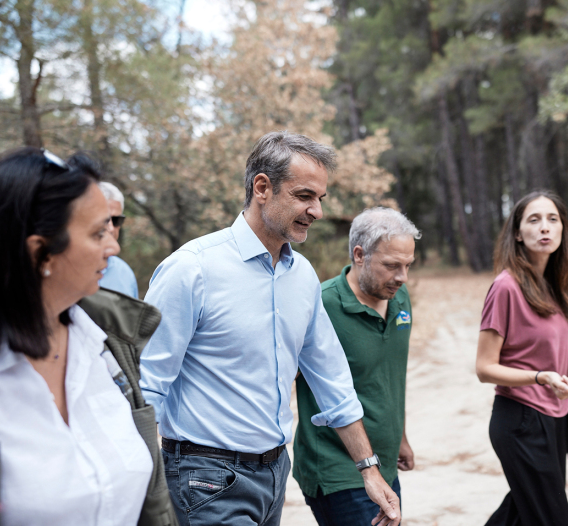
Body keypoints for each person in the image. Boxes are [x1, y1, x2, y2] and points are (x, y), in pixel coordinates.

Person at [139, 131, 401, 526]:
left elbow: (331, 378)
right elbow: (147, 383)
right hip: (204, 477)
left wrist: (368, 468)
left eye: (320, 198)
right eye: (304, 196)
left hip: (275, 473)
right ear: (262, 188)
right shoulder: (192, 268)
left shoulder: (303, 276)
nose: (317, 211)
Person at [0, 148, 177, 526]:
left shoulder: (109, 348)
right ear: (41, 252)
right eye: (98, 233)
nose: (114, 247)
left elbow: (152, 501)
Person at [475, 190, 568, 526]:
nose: (545, 227)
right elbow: (484, 368)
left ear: (563, 229)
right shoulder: (506, 287)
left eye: (553, 219)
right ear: (517, 233)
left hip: (556, 418)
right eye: (534, 220)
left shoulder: (553, 284)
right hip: (521, 420)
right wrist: (541, 377)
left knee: (523, 513)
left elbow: (531, 349)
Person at [294, 207, 421, 525]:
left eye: (407, 265)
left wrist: (400, 437)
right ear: (360, 255)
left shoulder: (399, 297)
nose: (402, 277)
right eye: (392, 265)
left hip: (385, 463)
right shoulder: (321, 305)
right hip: (337, 469)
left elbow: (390, 376)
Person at [98, 182, 139, 298]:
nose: (111, 228)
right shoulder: (67, 268)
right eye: (105, 220)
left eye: (116, 220)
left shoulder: (124, 272)